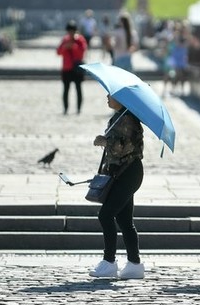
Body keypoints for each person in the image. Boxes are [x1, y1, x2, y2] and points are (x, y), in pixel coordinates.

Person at [89, 94, 145, 280]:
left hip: (129, 173)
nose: (107, 97)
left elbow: (124, 147)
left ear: (122, 99)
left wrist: (105, 142)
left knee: (106, 214)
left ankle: (109, 262)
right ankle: (134, 265)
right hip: (121, 172)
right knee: (125, 221)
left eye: (111, 95)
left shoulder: (128, 119)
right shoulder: (119, 117)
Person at [56, 20, 88, 115]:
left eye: (72, 31)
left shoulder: (80, 40)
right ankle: (65, 108)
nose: (71, 33)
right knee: (66, 89)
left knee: (78, 89)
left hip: (77, 69)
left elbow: (82, 53)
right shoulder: (65, 40)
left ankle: (78, 108)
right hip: (67, 68)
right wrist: (65, 47)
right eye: (69, 31)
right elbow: (58, 52)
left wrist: (73, 47)